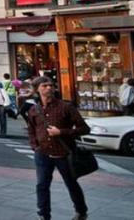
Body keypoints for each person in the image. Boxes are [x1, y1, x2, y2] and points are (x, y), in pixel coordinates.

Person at [26, 76, 89, 220]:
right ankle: (43, 214)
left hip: (64, 153)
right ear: (37, 89)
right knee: (42, 185)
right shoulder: (34, 109)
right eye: (44, 86)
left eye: (51, 85)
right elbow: (31, 129)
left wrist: (61, 132)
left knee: (71, 183)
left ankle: (81, 211)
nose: (49, 88)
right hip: (42, 153)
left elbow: (84, 128)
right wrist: (34, 146)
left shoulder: (66, 106)